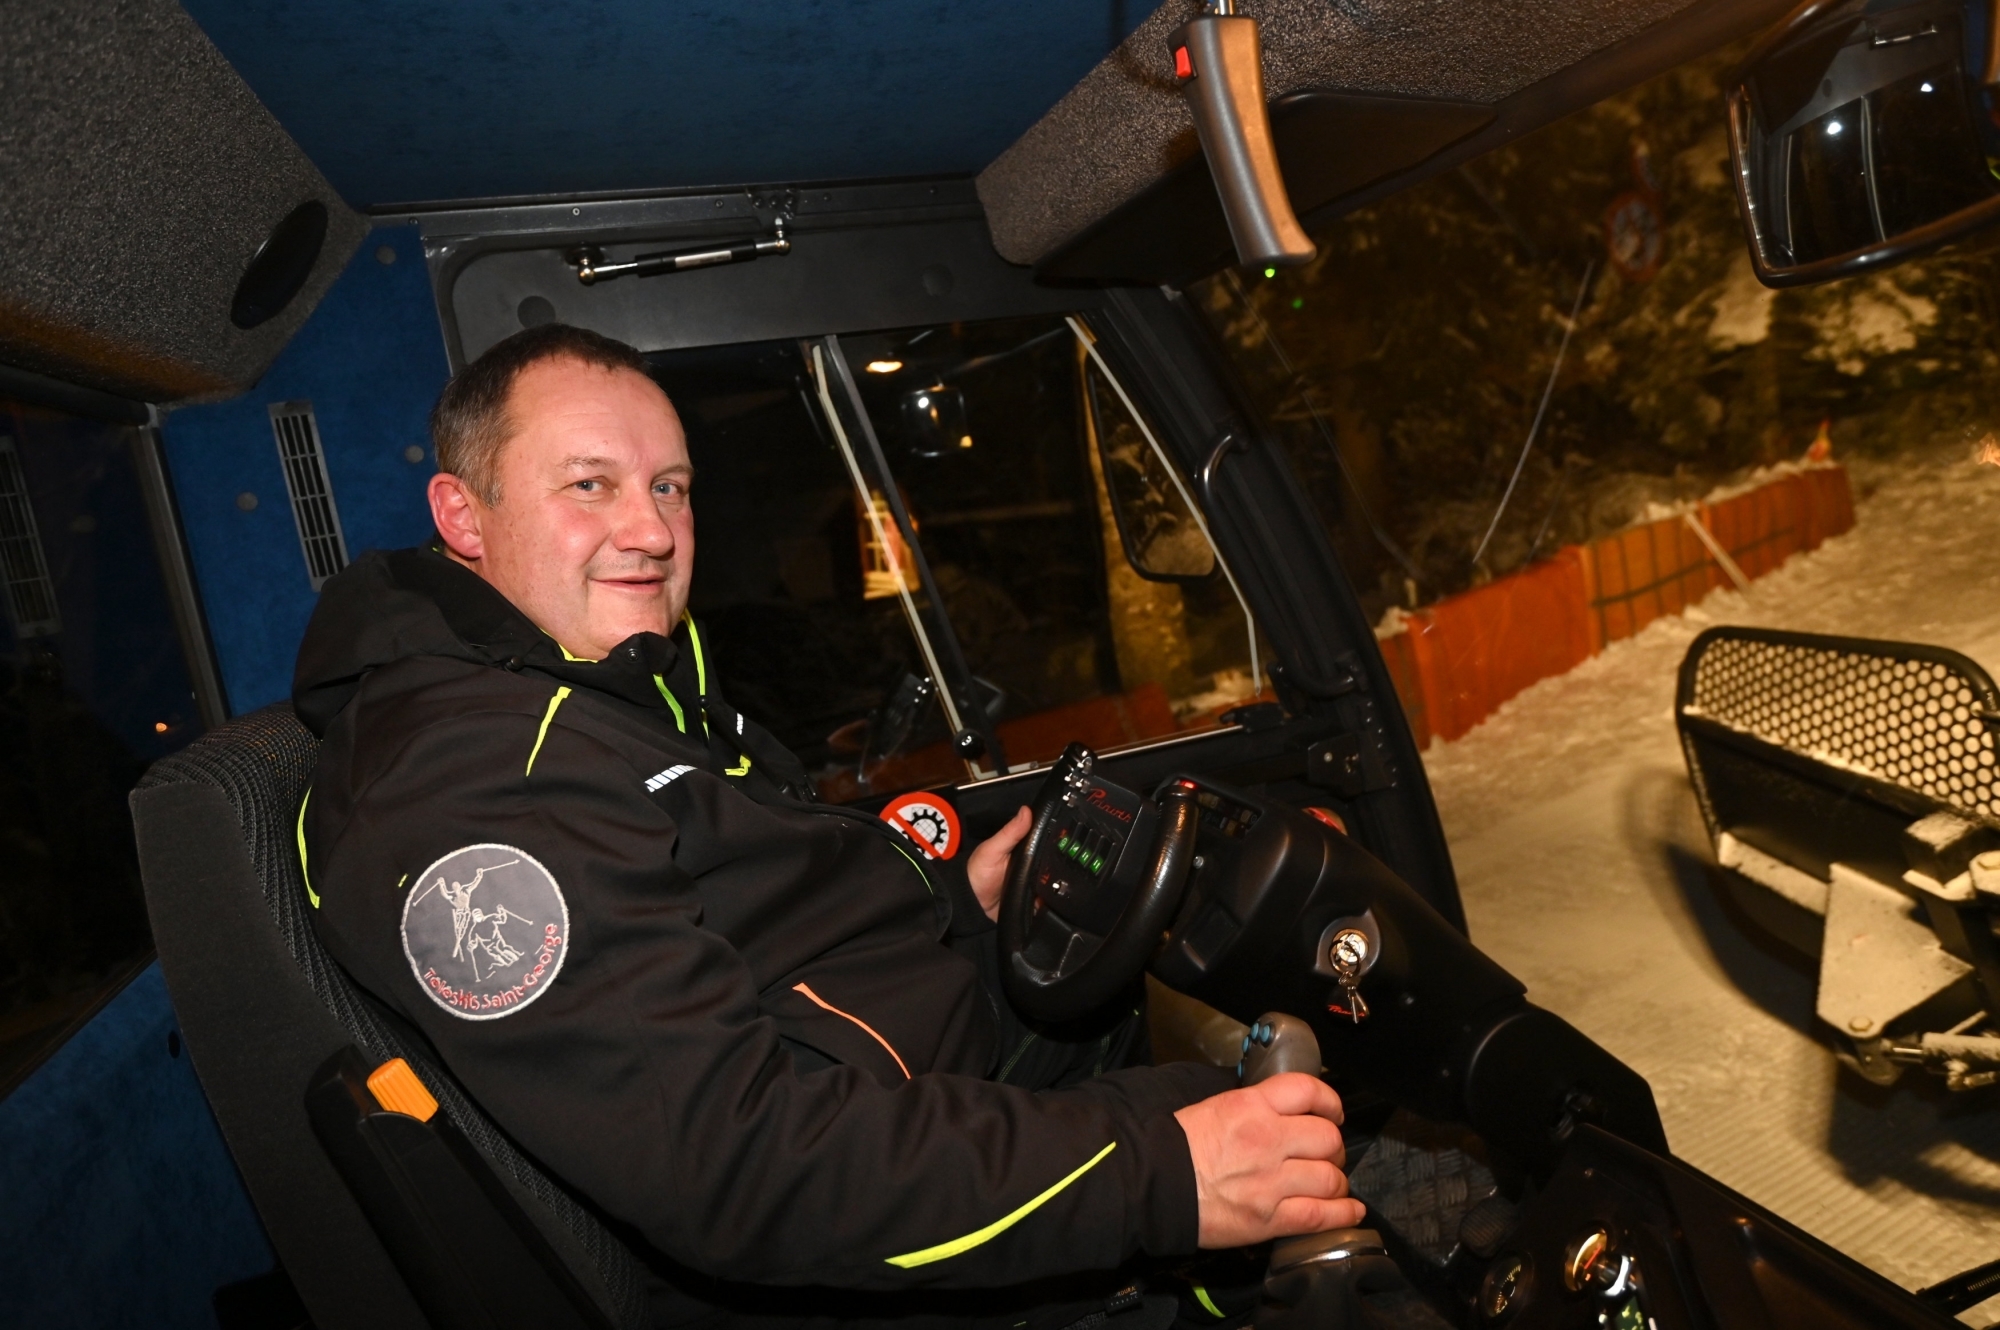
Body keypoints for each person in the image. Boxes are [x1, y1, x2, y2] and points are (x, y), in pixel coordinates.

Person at [294, 323, 1361, 1327]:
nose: (653, 531)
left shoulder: (599, 685)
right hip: (836, 1242)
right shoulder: (480, 781)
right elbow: (741, 1168)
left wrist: (951, 902)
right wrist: (1158, 1179)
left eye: (670, 486)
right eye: (590, 486)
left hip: (906, 1063)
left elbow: (760, 894)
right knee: (1253, 1121)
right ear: (463, 516)